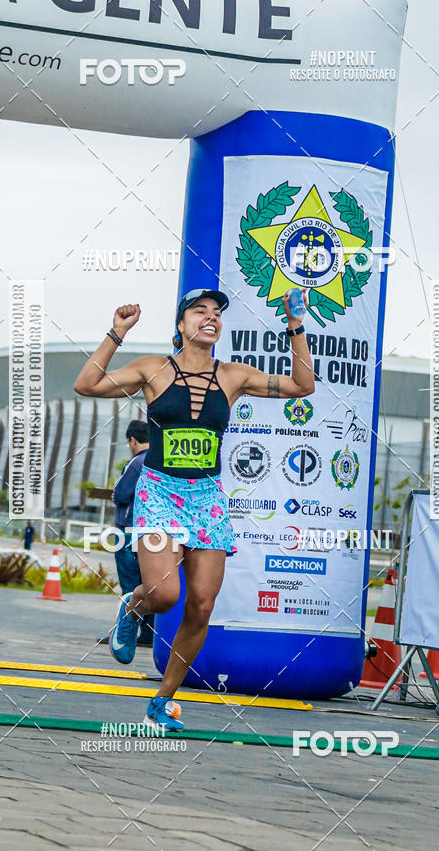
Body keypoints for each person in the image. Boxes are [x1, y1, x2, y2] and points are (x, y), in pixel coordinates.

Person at [74, 287, 314, 731]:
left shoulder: (233, 375)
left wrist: (295, 324)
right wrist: (116, 332)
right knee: (164, 595)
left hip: (207, 498)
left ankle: (162, 701)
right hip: (160, 493)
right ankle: (133, 608)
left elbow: (303, 386)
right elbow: (86, 384)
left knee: (202, 604)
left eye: (216, 313)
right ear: (181, 326)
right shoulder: (153, 369)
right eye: (199, 311)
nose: (210, 317)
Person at [111, 420, 155, 646]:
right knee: (151, 583)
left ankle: (123, 634)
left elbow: (120, 494)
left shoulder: (136, 462)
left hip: (127, 531)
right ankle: (149, 634)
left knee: (129, 584)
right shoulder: (158, 459)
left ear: (133, 440)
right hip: (153, 533)